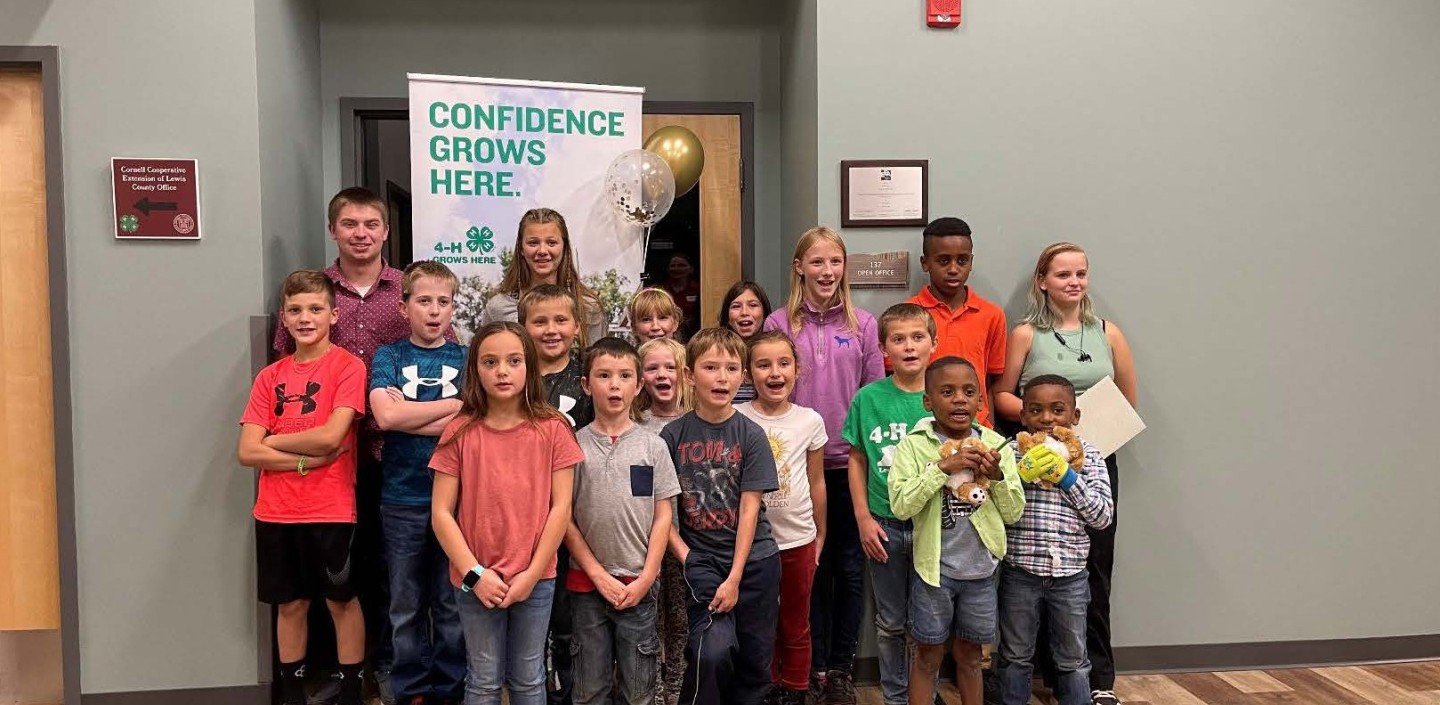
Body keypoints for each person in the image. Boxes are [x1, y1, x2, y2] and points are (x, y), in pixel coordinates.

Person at [274, 187, 444, 704]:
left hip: (399, 456)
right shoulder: (315, 293)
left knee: (394, 568)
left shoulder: (409, 290)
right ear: (333, 231)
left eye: (371, 224)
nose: (361, 233)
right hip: (331, 456)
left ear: (386, 232)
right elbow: (287, 366)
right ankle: (346, 669)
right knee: (341, 570)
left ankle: (389, 665)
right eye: (350, 224)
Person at [993, 243, 1137, 705]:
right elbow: (1003, 397)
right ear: (1043, 280)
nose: (1073, 282)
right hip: (1033, 459)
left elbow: (1127, 399)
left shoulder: (1108, 333)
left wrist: (1079, 436)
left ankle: (1096, 678)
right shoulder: (1025, 335)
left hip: (1091, 459)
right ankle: (1034, 672)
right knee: (1029, 566)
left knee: (1092, 569)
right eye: (1062, 274)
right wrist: (1048, 421)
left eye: (1080, 273)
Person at [429, 322, 583, 705]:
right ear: (475, 370)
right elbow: (441, 513)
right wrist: (475, 574)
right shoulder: (459, 431)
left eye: (513, 361)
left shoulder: (552, 429)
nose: (502, 371)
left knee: (529, 678)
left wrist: (531, 575)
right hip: (473, 578)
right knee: (482, 679)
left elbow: (560, 507)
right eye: (490, 362)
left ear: (529, 366)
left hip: (536, 577)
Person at [764, 227, 883, 705]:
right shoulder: (778, 322)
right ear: (799, 268)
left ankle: (840, 670)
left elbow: (874, 397)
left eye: (835, 262)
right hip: (797, 468)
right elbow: (769, 390)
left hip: (849, 466)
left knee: (849, 572)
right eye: (816, 262)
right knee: (806, 569)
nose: (827, 272)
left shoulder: (863, 325)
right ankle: (807, 669)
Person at [239, 270, 368, 705]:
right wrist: (299, 458)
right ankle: (291, 692)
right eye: (295, 310)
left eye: (315, 309)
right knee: (290, 604)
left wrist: (270, 440)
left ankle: (351, 690)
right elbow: (245, 452)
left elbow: (332, 437)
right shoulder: (269, 377)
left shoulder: (348, 367)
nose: (305, 318)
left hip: (331, 508)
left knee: (341, 601)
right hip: (275, 511)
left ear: (333, 314)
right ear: (284, 319)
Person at [888, 357, 1023, 705]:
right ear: (928, 401)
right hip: (934, 574)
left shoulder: (996, 445)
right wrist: (940, 468)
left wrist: (997, 478)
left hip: (981, 572)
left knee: (971, 656)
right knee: (928, 656)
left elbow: (1013, 513)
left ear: (981, 401)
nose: (959, 399)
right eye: (947, 392)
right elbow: (901, 506)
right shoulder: (914, 445)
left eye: (968, 392)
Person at [660, 328, 782, 705]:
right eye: (711, 367)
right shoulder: (672, 435)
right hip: (704, 565)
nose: (722, 377)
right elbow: (661, 510)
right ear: (689, 376)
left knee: (754, 663)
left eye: (731, 368)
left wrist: (735, 577)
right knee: (710, 653)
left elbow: (749, 509)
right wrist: (688, 558)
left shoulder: (752, 435)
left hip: (755, 564)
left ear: (743, 376)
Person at [368, 261, 468, 705]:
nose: (433, 311)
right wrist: (451, 407)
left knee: (451, 604)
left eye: (442, 302)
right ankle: (411, 689)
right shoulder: (388, 356)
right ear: (404, 305)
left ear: (452, 309)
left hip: (458, 501)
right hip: (402, 499)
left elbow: (471, 421)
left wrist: (409, 414)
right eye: (423, 301)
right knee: (405, 604)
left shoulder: (466, 358)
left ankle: (450, 688)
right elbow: (384, 416)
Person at [565, 337, 681, 705]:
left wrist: (648, 575)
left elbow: (663, 514)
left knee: (640, 691)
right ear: (586, 384)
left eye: (624, 375)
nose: (614, 385)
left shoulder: (653, 446)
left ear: (638, 384)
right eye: (603, 375)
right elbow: (563, 518)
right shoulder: (573, 446)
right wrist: (597, 575)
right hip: (586, 586)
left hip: (640, 586)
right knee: (590, 689)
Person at [839, 303, 936, 705]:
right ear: (883, 349)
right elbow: (857, 458)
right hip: (884, 524)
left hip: (935, 526)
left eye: (918, 337)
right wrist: (862, 516)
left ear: (934, 342)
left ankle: (923, 696)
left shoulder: (944, 393)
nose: (909, 347)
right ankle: (897, 696)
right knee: (891, 621)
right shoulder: (869, 398)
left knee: (929, 623)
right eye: (898, 339)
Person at [997, 375, 1113, 705]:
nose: (1047, 418)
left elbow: (1102, 516)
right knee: (1015, 655)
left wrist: (1068, 478)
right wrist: (1014, 477)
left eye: (1058, 409)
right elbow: (995, 510)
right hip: (1020, 572)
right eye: (1036, 410)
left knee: (1073, 660)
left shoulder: (1090, 456)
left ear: (1074, 416)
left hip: (1072, 577)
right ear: (1022, 416)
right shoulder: (1011, 455)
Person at [735, 331, 828, 705]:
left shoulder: (809, 420)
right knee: (759, 622)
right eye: (763, 364)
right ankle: (765, 686)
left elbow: (817, 480)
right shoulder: (737, 418)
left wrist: (820, 535)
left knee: (796, 620)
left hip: (798, 539)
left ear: (797, 370)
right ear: (747, 373)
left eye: (784, 363)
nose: (775, 373)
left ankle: (795, 689)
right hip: (753, 544)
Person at [519, 283, 594, 704]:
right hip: (527, 514)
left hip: (579, 514)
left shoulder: (588, 376)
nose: (551, 330)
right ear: (523, 327)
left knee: (569, 614)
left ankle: (570, 689)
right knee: (532, 613)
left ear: (577, 326)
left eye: (561, 320)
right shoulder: (516, 376)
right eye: (540, 321)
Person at [633, 336, 694, 705]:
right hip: (648, 537)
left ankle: (679, 686)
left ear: (683, 374)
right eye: (652, 368)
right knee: (650, 617)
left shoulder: (697, 419)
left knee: (682, 616)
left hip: (690, 539)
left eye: (669, 367)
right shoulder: (635, 423)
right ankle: (652, 689)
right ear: (641, 377)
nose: (662, 374)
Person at [903, 217, 1007, 426]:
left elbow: (989, 383)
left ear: (971, 262)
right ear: (925, 263)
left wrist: (991, 429)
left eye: (962, 260)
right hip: (922, 426)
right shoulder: (907, 315)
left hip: (976, 427)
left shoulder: (991, 315)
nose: (953, 269)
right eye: (943, 260)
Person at [482, 207, 607, 347]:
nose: (542, 251)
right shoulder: (499, 308)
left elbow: (598, 364)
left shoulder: (588, 307)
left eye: (551, 243)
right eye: (533, 243)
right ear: (521, 249)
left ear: (564, 247)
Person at [719, 281, 773, 404]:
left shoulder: (774, 354)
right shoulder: (716, 352)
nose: (744, 312)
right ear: (727, 316)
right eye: (736, 306)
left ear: (765, 313)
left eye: (753, 305)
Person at [660, 252, 702, 339]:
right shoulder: (661, 290)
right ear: (668, 270)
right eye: (673, 265)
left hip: (694, 332)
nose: (676, 268)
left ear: (691, 269)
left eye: (681, 265)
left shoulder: (699, 289)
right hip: (666, 332)